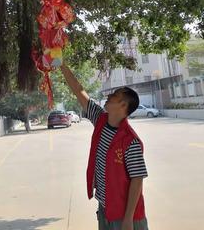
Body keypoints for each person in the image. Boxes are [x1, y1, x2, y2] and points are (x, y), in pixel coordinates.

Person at [60, 64, 149, 230]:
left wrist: (128, 219)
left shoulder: (130, 141)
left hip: (126, 216)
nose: (109, 95)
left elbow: (137, 180)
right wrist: (61, 65)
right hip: (105, 207)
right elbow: (79, 92)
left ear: (123, 105)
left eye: (114, 95)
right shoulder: (101, 120)